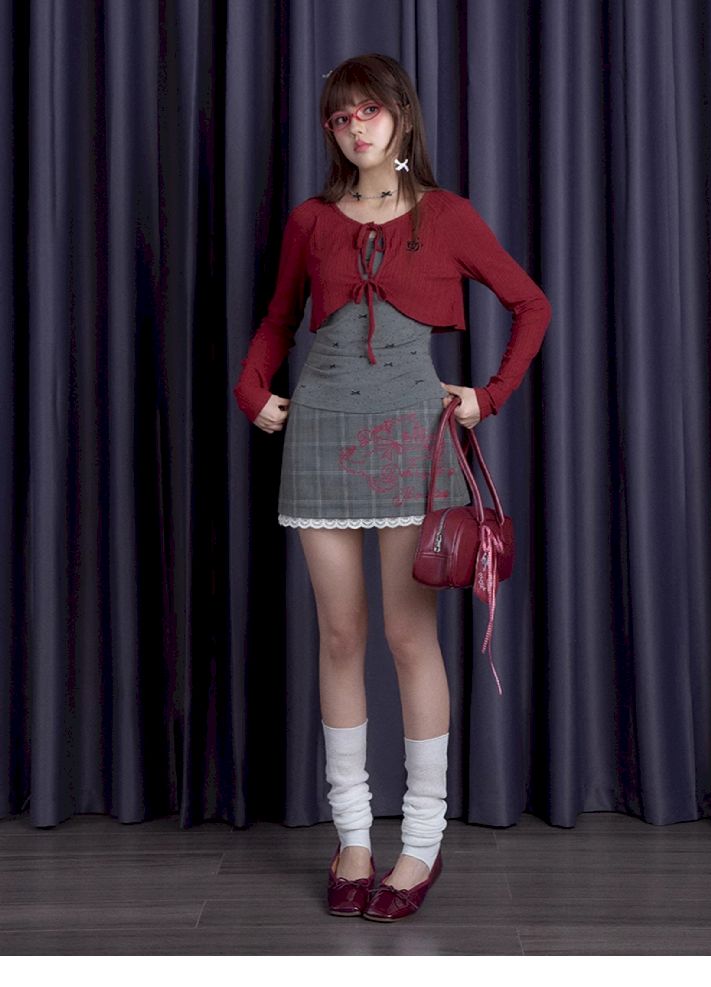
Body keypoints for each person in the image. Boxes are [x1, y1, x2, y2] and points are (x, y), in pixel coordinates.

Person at [233, 53, 552, 921]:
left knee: (410, 639)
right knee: (341, 635)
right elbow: (278, 318)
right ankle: (351, 839)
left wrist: (489, 396)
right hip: (320, 436)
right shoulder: (310, 220)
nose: (356, 127)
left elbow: (531, 304)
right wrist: (252, 390)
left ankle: (420, 843)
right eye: (341, 117)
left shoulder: (448, 216)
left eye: (369, 111)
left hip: (414, 439)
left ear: (401, 116)